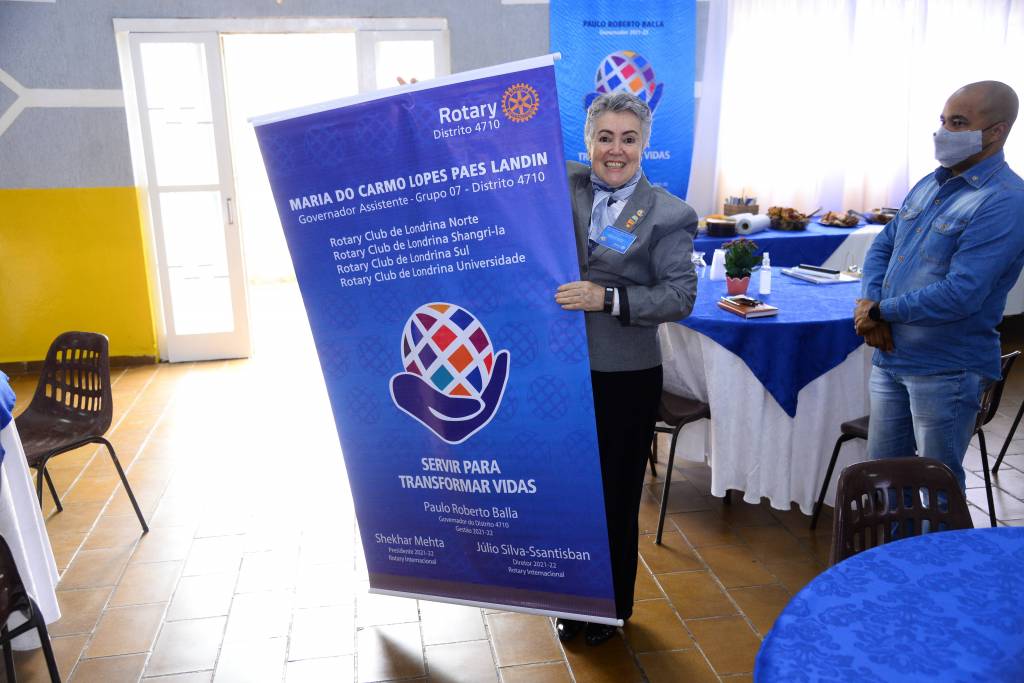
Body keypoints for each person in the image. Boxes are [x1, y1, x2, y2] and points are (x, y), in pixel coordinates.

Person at [553, 92, 697, 645]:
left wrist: (608, 298)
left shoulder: (668, 213)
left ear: (645, 146)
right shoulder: (562, 183)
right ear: (588, 141)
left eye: (629, 139)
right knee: (569, 492)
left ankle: (609, 608)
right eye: (605, 137)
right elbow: (497, 166)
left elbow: (680, 296)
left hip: (624, 377)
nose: (616, 150)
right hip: (558, 370)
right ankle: (570, 597)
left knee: (613, 496)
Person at [855, 80, 1024, 490]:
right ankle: (896, 538)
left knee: (936, 490)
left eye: (958, 123)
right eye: (943, 120)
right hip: (892, 355)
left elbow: (961, 293)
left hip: (945, 367)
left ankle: (933, 538)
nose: (944, 132)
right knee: (885, 481)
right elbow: (884, 246)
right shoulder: (931, 183)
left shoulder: (1005, 199)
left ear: (996, 131)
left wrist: (880, 311)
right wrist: (870, 301)